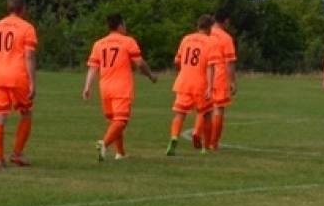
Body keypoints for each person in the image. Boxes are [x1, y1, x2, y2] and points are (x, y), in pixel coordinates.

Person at [82, 13, 158, 159]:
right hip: (121, 87)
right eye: (125, 24)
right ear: (120, 26)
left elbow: (93, 67)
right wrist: (151, 76)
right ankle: (103, 143)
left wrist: (87, 86)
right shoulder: (127, 41)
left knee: (114, 122)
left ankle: (120, 153)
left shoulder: (99, 43)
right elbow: (140, 63)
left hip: (105, 88)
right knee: (121, 122)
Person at [0, 0, 39, 169]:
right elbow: (29, 56)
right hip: (17, 76)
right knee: (26, 113)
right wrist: (32, 82)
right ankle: (17, 152)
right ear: (23, 9)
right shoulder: (27, 27)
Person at [167, 16, 218, 155]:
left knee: (180, 114)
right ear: (209, 28)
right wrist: (210, 86)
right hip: (200, 83)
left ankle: (174, 137)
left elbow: (177, 60)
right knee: (207, 114)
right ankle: (205, 147)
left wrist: (185, 70)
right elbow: (210, 66)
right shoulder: (210, 42)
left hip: (183, 81)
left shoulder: (186, 39)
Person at [201, 8, 239, 151]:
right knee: (218, 109)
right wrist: (233, 81)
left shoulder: (205, 34)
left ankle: (199, 134)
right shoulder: (226, 38)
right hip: (219, 76)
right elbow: (230, 61)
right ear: (226, 21)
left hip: (203, 75)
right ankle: (213, 143)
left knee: (204, 109)